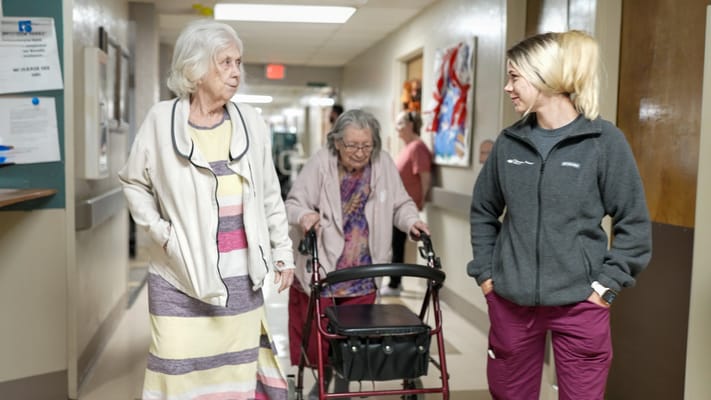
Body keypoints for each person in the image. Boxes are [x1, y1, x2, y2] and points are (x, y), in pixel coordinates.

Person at [467, 30, 652, 400]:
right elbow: (483, 211)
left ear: (544, 77)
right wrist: (488, 276)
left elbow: (633, 223)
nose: (508, 87)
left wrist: (605, 288)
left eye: (514, 76)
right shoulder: (508, 143)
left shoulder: (603, 142)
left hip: (581, 305)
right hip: (512, 303)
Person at [118, 19, 295, 400]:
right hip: (177, 275)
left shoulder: (251, 122)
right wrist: (161, 232)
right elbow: (134, 181)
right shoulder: (161, 121)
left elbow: (269, 195)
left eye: (238, 62)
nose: (236, 73)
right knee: (177, 371)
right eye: (225, 62)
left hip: (240, 280)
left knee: (233, 378)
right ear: (195, 68)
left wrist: (283, 253)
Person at [285, 109, 429, 399]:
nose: (360, 152)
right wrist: (305, 216)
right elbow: (293, 202)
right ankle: (322, 381)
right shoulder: (321, 163)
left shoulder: (383, 164)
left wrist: (412, 221)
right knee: (320, 338)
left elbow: (401, 204)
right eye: (352, 145)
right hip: (324, 265)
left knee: (355, 337)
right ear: (337, 142)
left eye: (366, 145)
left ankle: (344, 383)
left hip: (363, 269)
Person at [380, 110, 432, 296]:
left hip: (406, 207)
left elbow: (425, 177)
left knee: (397, 244)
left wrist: (420, 202)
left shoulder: (418, 147)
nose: (397, 129)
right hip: (395, 206)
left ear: (410, 125)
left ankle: (395, 284)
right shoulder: (407, 147)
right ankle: (393, 282)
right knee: (394, 244)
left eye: (400, 124)